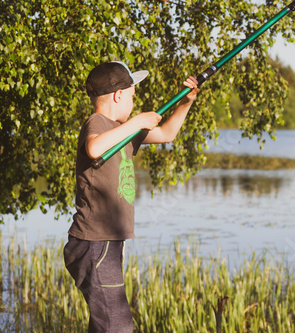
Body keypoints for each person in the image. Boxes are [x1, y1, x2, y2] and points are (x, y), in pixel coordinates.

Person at [63, 60, 199, 332]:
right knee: (118, 326)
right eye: (132, 95)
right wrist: (137, 121)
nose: (134, 101)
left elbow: (167, 134)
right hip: (94, 243)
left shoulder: (119, 131)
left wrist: (186, 102)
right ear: (118, 95)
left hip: (107, 242)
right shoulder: (98, 123)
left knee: (105, 324)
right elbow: (93, 148)